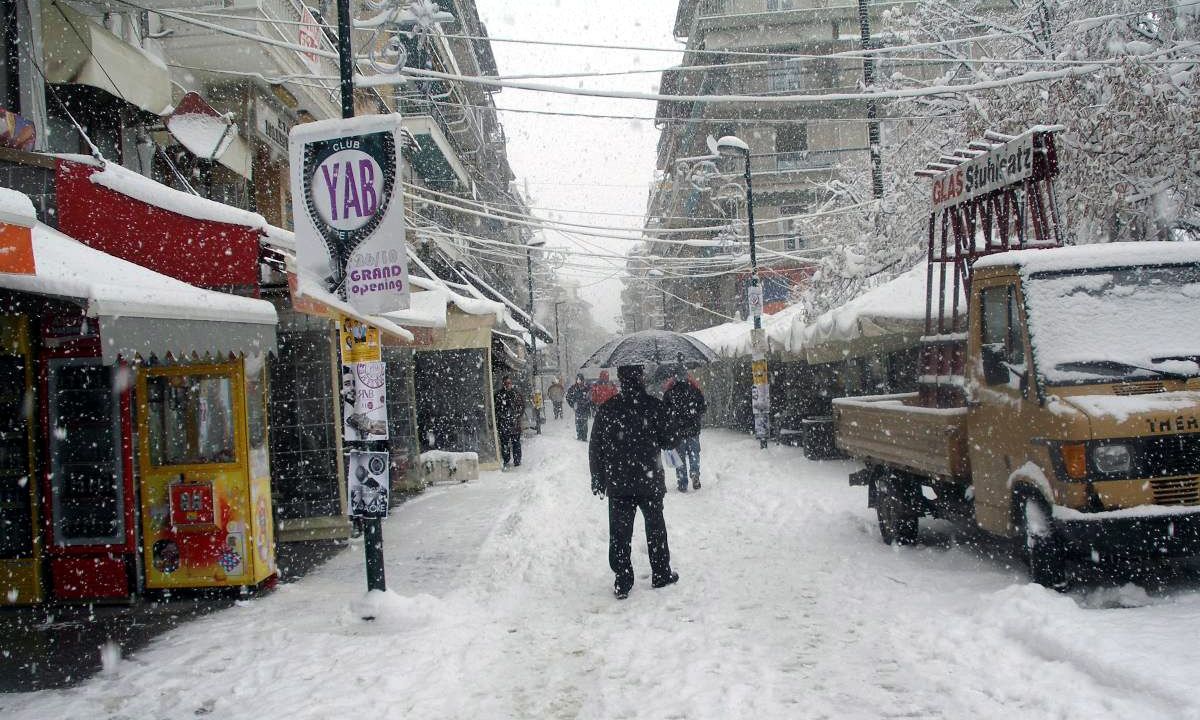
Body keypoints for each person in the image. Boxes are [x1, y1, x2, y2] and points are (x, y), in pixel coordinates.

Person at [589, 364, 680, 600]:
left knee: (619, 532)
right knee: (655, 528)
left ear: (620, 379)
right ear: (641, 377)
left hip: (619, 482)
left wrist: (598, 477)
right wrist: (668, 414)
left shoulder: (608, 409)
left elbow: (596, 447)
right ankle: (660, 572)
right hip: (649, 480)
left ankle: (622, 579)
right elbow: (670, 441)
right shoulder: (654, 406)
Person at [663, 369, 707, 492]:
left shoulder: (669, 393)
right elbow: (703, 407)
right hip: (693, 429)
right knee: (694, 453)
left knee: (680, 457)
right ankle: (694, 473)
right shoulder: (695, 390)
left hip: (677, 431)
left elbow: (664, 412)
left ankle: (682, 483)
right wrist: (695, 414)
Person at [494, 376, 524, 469]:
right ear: (503, 384)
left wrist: (517, 416)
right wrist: (502, 418)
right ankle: (506, 460)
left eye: (509, 383)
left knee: (516, 443)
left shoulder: (516, 394)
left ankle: (517, 461)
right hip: (504, 424)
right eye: (506, 383)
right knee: (505, 444)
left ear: (511, 384)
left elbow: (522, 407)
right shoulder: (499, 395)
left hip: (514, 424)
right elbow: (496, 409)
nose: (508, 385)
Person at [566, 374, 592, 441]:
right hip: (577, 409)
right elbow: (568, 397)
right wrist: (572, 404)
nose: (579, 381)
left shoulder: (586, 388)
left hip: (585, 408)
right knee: (578, 423)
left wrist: (588, 405)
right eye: (578, 380)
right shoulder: (573, 388)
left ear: (583, 380)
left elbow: (590, 398)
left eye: (580, 380)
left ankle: (584, 437)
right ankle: (579, 436)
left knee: (584, 423)